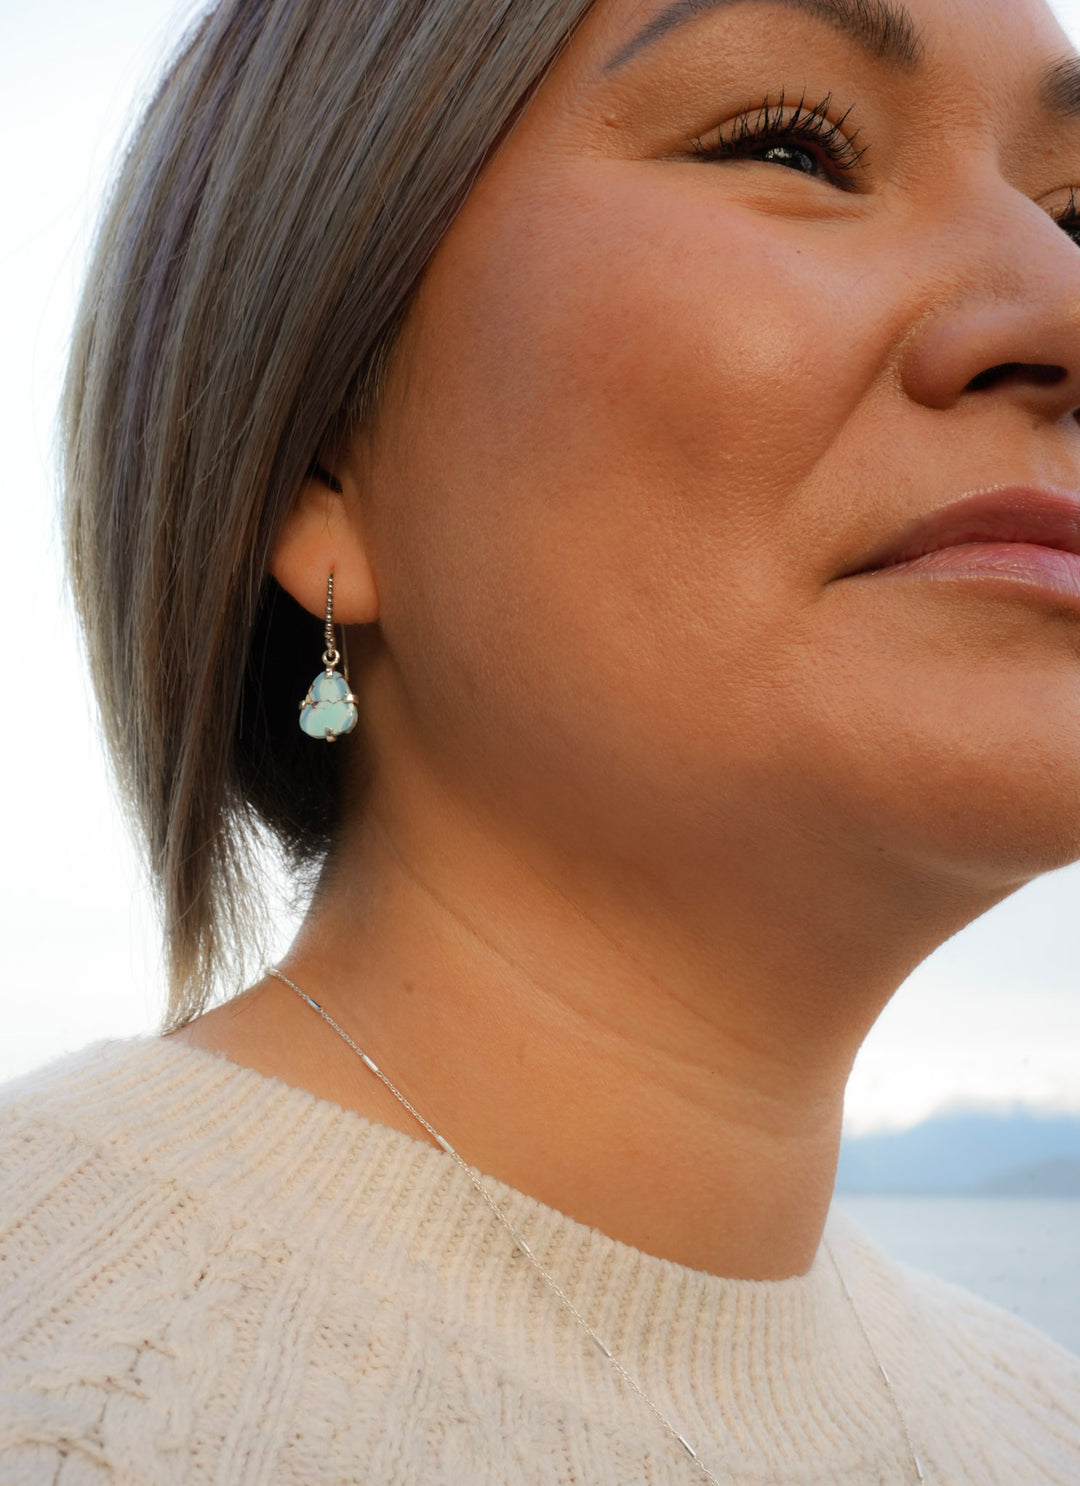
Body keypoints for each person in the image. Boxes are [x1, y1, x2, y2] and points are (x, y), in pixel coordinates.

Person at [3, 0, 1080, 1479]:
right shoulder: (52, 1375)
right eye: (792, 145)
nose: (1060, 296)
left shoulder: (1039, 1418)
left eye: (1078, 211)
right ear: (321, 463)